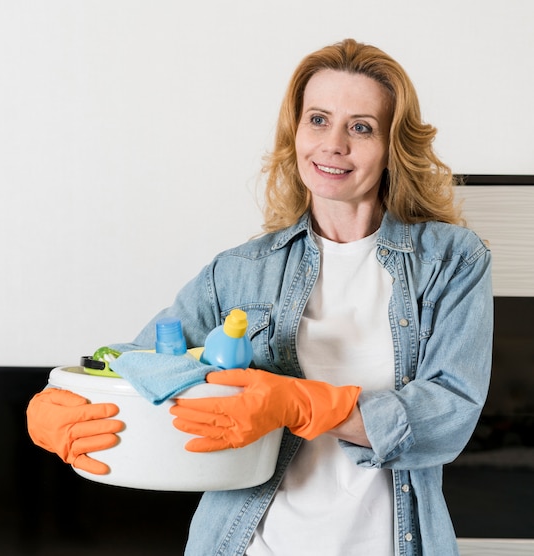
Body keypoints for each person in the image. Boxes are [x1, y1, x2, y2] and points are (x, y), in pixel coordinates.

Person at [26, 38, 493, 555]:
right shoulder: (241, 272)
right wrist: (57, 400)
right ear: (295, 132)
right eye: (318, 119)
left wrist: (301, 402)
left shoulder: (450, 260)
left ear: (391, 146)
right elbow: (146, 366)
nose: (333, 144)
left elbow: (450, 414)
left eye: (360, 127)